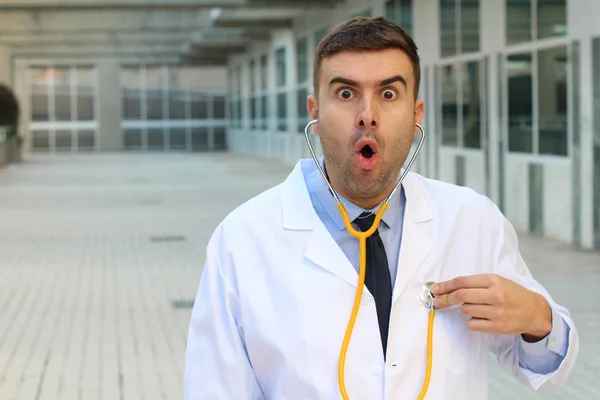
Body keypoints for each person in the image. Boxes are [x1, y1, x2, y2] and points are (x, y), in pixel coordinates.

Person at [183, 16, 579, 399]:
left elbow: (548, 366)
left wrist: (536, 317)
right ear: (314, 113)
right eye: (345, 93)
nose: (367, 115)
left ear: (416, 114)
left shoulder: (471, 220)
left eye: (388, 94)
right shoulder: (243, 240)